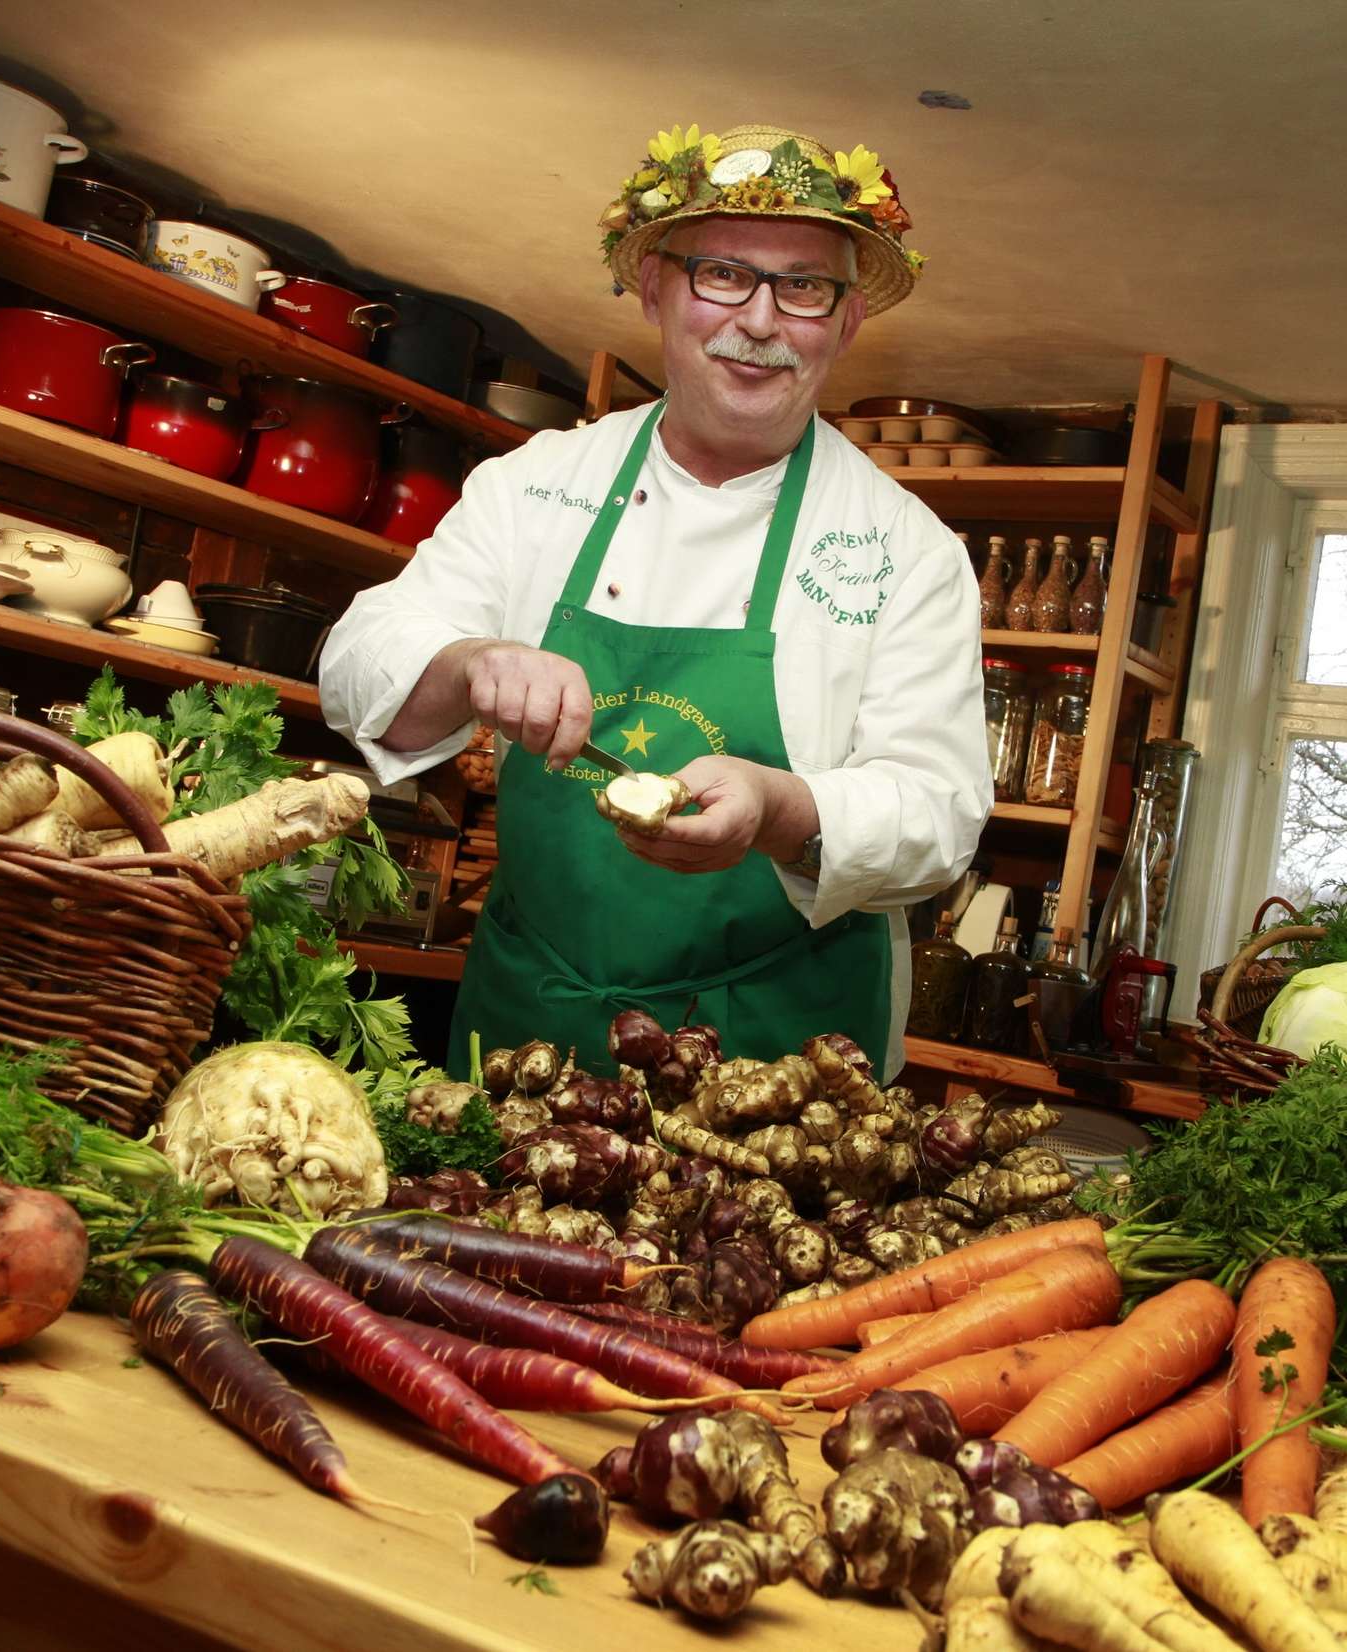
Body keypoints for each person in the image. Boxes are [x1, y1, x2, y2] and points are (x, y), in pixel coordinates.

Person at [320, 122, 990, 1079]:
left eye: (803, 287)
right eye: (721, 273)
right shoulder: (535, 485)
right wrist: (471, 664)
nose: (759, 320)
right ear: (655, 291)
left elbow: (939, 817)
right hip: (533, 1020)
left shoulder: (905, 547)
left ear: (845, 323)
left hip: (779, 1054)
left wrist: (776, 807)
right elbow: (357, 664)